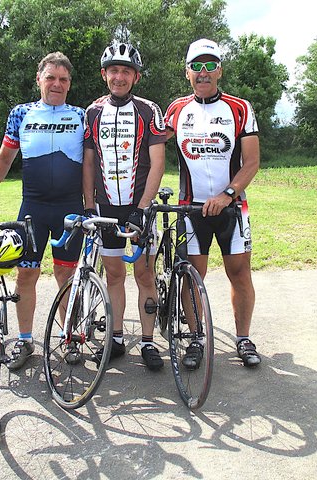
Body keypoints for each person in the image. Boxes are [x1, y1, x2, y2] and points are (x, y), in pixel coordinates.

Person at [0, 52, 85, 369]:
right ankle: (24, 340)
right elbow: (5, 157)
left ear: (69, 83)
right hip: (33, 208)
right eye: (51, 77)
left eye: (63, 79)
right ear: (39, 79)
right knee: (27, 275)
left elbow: (92, 162)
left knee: (67, 275)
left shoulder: (80, 115)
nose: (57, 84)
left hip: (69, 209)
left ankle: (70, 337)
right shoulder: (21, 114)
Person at [164, 38, 261, 367]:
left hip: (232, 209)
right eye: (197, 66)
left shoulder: (240, 108)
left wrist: (227, 195)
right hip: (191, 210)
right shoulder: (176, 110)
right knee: (192, 277)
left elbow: (251, 162)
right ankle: (196, 338)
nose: (203, 73)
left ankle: (244, 338)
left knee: (239, 273)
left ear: (219, 69)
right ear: (187, 72)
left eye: (210, 66)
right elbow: (149, 147)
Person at [82, 42, 167, 370]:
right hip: (106, 208)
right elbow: (89, 161)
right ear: (105, 75)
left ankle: (147, 342)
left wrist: (143, 207)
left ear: (136, 76)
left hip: (139, 208)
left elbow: (157, 163)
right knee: (114, 275)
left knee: (144, 275)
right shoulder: (92, 112)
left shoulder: (149, 110)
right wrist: (90, 205)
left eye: (126, 71)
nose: (119, 77)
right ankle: (116, 338)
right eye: (114, 71)